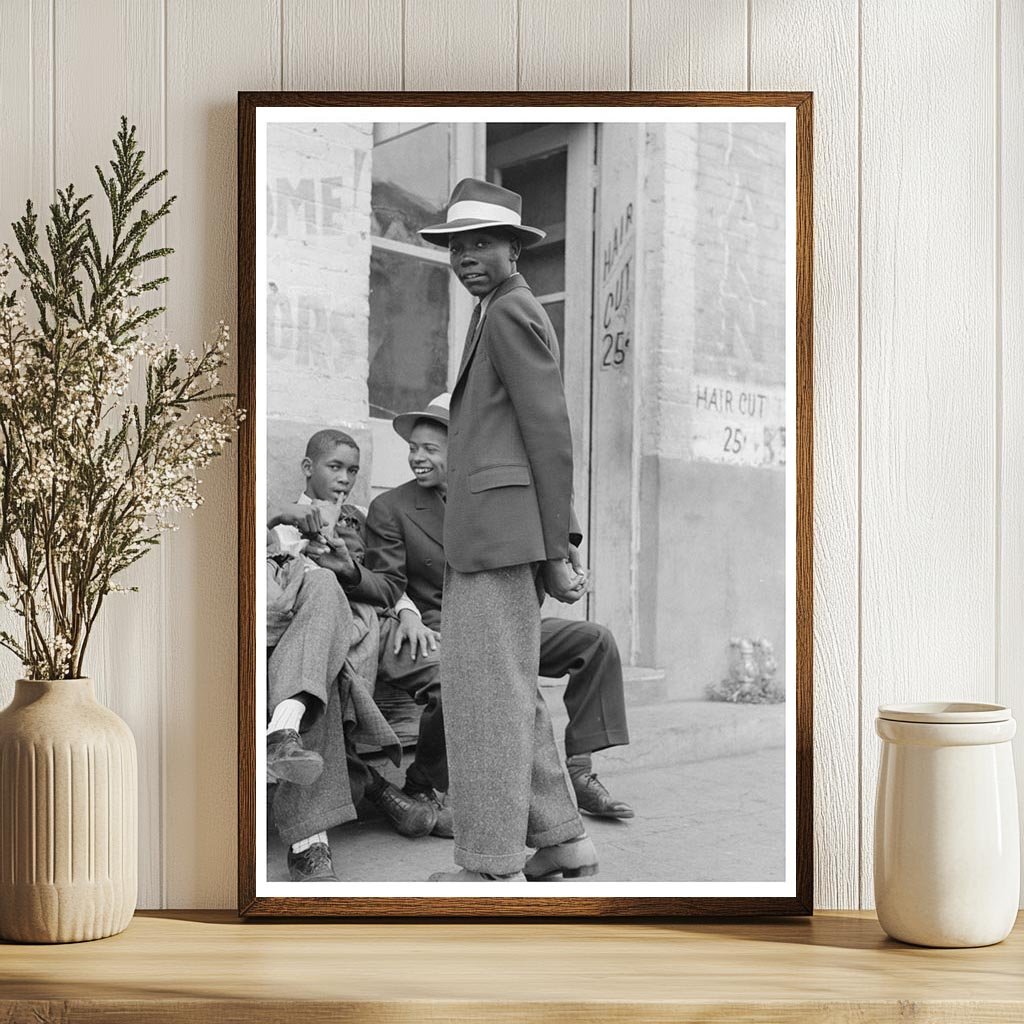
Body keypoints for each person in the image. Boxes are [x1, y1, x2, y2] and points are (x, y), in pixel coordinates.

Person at [415, 178, 597, 882]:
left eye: (482, 243)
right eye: (458, 245)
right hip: (489, 532)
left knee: (487, 694)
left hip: (501, 538)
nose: (466, 256)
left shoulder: (511, 311)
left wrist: (559, 547)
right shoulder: (494, 309)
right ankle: (562, 837)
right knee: (504, 687)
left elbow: (549, 435)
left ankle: (490, 865)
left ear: (515, 249)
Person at [360, 392, 634, 829]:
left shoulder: (491, 500)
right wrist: (406, 610)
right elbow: (387, 581)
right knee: (455, 677)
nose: (417, 458)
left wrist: (564, 557)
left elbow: (544, 494)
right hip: (438, 630)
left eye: (430, 449)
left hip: (505, 626)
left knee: (594, 641)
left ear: (462, 448)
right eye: (414, 448)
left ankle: (580, 772)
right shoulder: (391, 508)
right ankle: (424, 784)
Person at [265, 429, 437, 882]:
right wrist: (300, 544)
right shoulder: (282, 519)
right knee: (323, 613)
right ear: (308, 468)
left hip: (354, 631)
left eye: (352, 471)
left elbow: (387, 580)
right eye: (334, 467)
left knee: (329, 656)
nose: (344, 478)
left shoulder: (361, 518)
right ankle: (371, 785)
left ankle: (312, 832)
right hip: (303, 627)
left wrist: (407, 612)